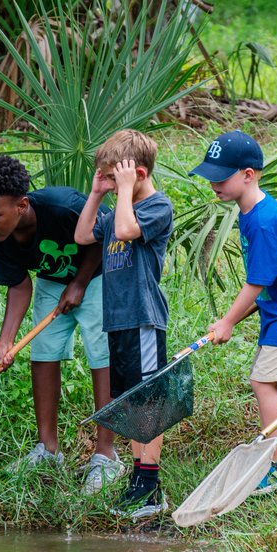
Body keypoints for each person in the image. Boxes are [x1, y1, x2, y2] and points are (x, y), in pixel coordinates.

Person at [0, 156, 124, 494]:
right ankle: (49, 449)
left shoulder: (62, 206)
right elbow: (20, 285)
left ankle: (106, 454)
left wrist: (81, 282)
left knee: (102, 355)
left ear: (22, 205)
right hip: (53, 282)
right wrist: (6, 341)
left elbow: (104, 236)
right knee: (43, 353)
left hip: (98, 277)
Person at [191, 130, 277, 493]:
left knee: (263, 382)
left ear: (248, 175)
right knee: (262, 380)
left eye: (221, 177)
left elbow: (256, 282)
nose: (213, 184)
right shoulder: (256, 210)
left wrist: (228, 321)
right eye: (211, 176)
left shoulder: (263, 220)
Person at [74, 129, 174, 520]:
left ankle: (150, 487)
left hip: (143, 318)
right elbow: (83, 235)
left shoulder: (156, 207)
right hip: (118, 321)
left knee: (147, 401)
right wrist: (98, 192)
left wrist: (127, 189)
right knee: (131, 402)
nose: (113, 186)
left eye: (116, 179)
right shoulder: (117, 207)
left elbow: (125, 232)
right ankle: (139, 480)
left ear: (140, 173)